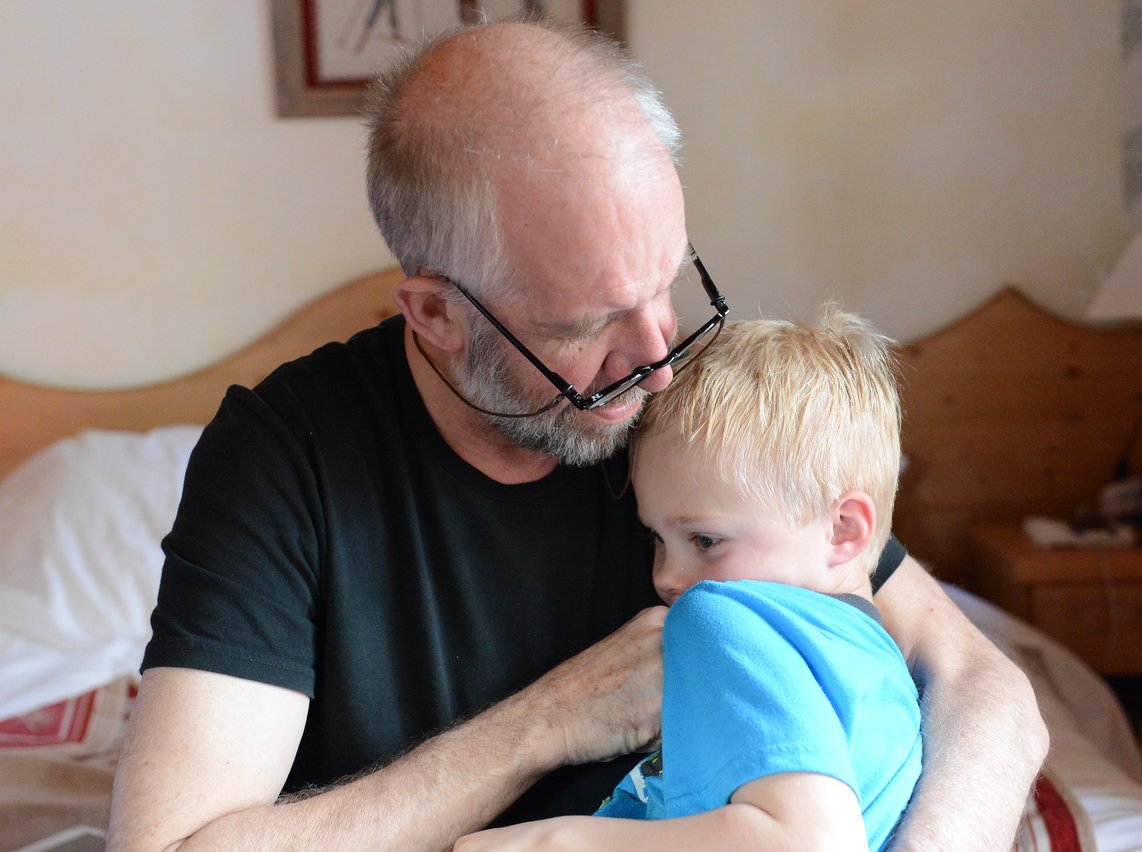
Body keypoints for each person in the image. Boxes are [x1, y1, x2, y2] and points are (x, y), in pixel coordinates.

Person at [107, 15, 1046, 852]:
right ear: (436, 313)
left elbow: (987, 692)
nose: (659, 360)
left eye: (667, 285)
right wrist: (546, 722)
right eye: (586, 324)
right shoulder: (287, 456)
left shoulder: (689, 419)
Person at [457, 308, 923, 851]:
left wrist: (554, 841)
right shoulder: (890, 674)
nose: (668, 577)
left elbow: (811, 841)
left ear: (843, 530)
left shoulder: (727, 618)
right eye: (656, 539)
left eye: (704, 541)